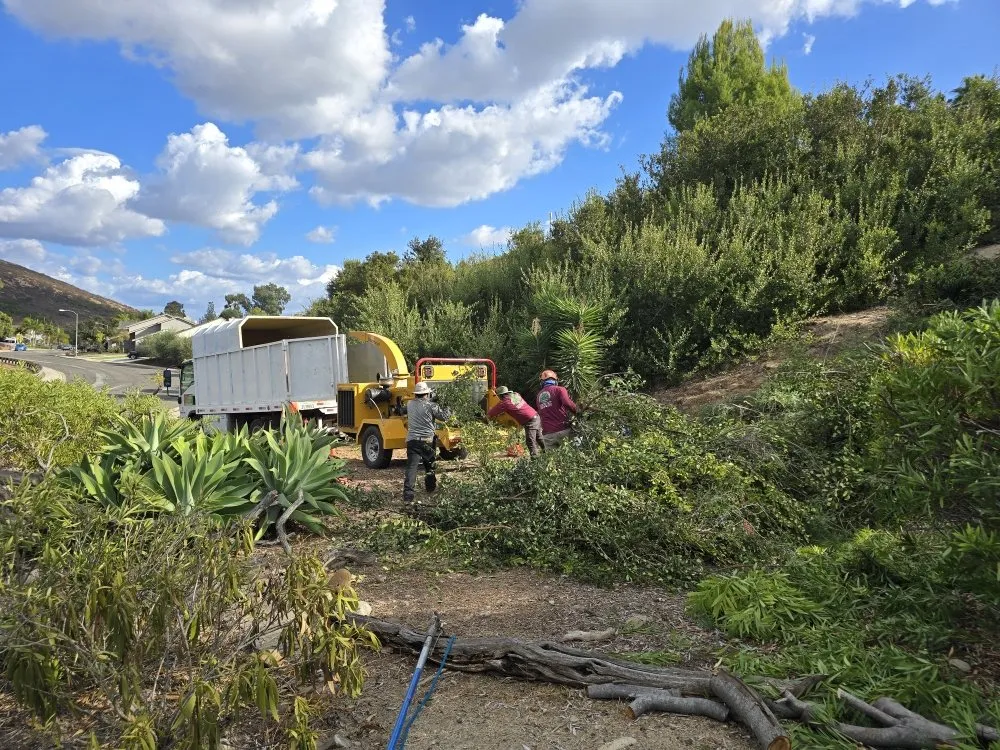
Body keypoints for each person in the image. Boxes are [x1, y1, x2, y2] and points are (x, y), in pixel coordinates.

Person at [403, 381, 450, 504]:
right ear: (427, 393)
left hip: (412, 440)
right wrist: (447, 405)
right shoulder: (431, 406)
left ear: (416, 394)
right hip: (427, 441)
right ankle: (430, 488)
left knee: (411, 468)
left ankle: (408, 496)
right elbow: (444, 417)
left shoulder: (409, 404)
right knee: (429, 466)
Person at [487, 386, 543, 457]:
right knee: (539, 438)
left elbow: (491, 413)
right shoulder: (516, 395)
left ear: (501, 395)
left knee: (530, 441)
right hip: (536, 416)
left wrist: (488, 414)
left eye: (498, 396)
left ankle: (535, 459)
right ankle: (548, 453)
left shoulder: (505, 403)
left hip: (530, 421)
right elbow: (515, 406)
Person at [535, 369, 578, 449]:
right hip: (563, 430)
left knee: (552, 457)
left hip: (548, 434)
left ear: (542, 382)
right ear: (555, 380)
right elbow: (567, 403)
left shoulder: (539, 396)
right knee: (575, 452)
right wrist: (578, 411)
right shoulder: (559, 389)